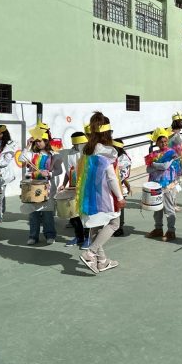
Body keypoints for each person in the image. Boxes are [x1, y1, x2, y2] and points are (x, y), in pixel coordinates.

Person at [78, 112, 125, 274]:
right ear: (107, 132)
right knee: (114, 223)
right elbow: (111, 178)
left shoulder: (87, 150)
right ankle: (90, 253)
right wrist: (120, 197)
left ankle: (102, 261)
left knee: (96, 227)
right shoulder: (106, 152)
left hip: (88, 196)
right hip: (103, 196)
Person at [19, 125, 63, 245]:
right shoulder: (32, 154)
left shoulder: (54, 155)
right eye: (36, 141)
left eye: (40, 141)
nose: (37, 143)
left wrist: (49, 173)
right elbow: (21, 159)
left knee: (47, 213)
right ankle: (33, 236)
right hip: (32, 186)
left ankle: (50, 235)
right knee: (33, 214)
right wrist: (27, 146)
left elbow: (59, 170)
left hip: (47, 187)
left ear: (46, 141)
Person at [145, 127, 181, 242]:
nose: (164, 143)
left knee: (169, 208)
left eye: (165, 141)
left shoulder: (171, 153)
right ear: (157, 143)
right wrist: (156, 166)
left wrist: (154, 164)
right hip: (156, 184)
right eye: (161, 141)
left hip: (168, 185)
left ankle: (171, 231)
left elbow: (165, 166)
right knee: (157, 208)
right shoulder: (154, 154)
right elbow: (148, 170)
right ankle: (158, 229)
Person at [61, 132, 90, 249]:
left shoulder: (89, 153)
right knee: (73, 214)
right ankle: (79, 237)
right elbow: (69, 171)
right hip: (73, 188)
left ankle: (88, 238)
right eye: (76, 144)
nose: (78, 146)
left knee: (86, 215)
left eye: (80, 143)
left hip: (86, 188)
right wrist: (63, 184)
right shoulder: (70, 154)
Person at [113, 138, 132, 237]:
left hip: (120, 187)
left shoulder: (124, 159)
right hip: (112, 186)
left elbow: (124, 175)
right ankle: (113, 226)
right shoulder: (112, 157)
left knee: (120, 207)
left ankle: (119, 227)